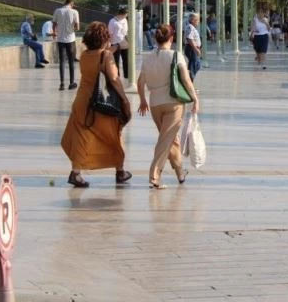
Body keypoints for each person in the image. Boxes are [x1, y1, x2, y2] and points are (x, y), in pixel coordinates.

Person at [60, 21, 132, 188]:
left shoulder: (84, 55)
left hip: (82, 101)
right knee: (113, 134)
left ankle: (76, 173)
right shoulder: (105, 56)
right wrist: (124, 99)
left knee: (81, 137)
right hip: (100, 102)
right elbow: (114, 79)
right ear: (104, 38)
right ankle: (120, 171)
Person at [137, 25, 199, 189]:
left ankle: (180, 173)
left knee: (171, 140)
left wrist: (143, 100)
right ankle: (154, 175)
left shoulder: (148, 58)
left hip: (155, 103)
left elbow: (140, 81)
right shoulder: (176, 56)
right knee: (165, 140)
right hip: (173, 103)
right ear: (171, 38)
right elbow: (186, 80)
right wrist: (195, 99)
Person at [52, 0, 80, 91]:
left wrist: (54, 32)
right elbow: (77, 27)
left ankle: (62, 84)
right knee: (71, 61)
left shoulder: (57, 10)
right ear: (71, 3)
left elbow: (54, 23)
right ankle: (71, 83)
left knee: (62, 61)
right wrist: (72, 29)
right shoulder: (74, 12)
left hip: (60, 39)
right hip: (70, 39)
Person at [108, 5, 129, 79]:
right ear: (122, 13)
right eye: (126, 13)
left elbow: (126, 32)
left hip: (125, 43)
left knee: (126, 60)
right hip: (115, 43)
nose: (127, 15)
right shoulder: (112, 21)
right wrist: (109, 44)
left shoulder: (125, 20)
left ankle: (127, 75)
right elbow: (110, 33)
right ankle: (117, 76)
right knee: (116, 60)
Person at [184, 12, 202, 81]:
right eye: (197, 20)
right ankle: (189, 82)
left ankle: (189, 81)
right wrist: (195, 49)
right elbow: (189, 38)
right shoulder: (190, 27)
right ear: (192, 20)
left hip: (192, 48)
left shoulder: (192, 27)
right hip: (191, 48)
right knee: (194, 65)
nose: (198, 22)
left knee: (195, 65)